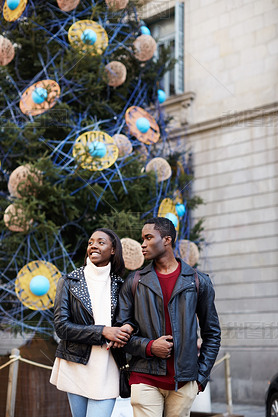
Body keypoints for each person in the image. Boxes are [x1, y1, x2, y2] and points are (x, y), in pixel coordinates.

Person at [114, 217, 221, 417]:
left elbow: (212, 333)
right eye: (142, 239)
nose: (142, 245)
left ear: (167, 240)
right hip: (144, 376)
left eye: (148, 238)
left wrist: (200, 377)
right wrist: (149, 346)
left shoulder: (198, 282)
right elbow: (120, 333)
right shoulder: (134, 282)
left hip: (183, 382)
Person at [50, 228, 133, 417]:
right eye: (90, 242)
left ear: (113, 250)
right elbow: (62, 327)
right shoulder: (69, 281)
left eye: (101, 242)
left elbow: (131, 320)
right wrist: (103, 331)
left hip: (108, 366)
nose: (93, 245)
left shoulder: (122, 285)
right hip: (76, 364)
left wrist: (127, 329)